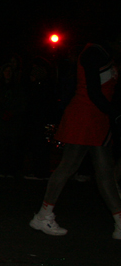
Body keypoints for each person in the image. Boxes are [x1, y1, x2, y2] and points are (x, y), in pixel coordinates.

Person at [30, 30, 121, 239]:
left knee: (105, 171)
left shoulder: (104, 54)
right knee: (69, 166)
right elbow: (93, 91)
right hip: (84, 116)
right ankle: (43, 215)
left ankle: (119, 222)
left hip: (96, 118)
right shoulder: (93, 53)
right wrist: (115, 114)